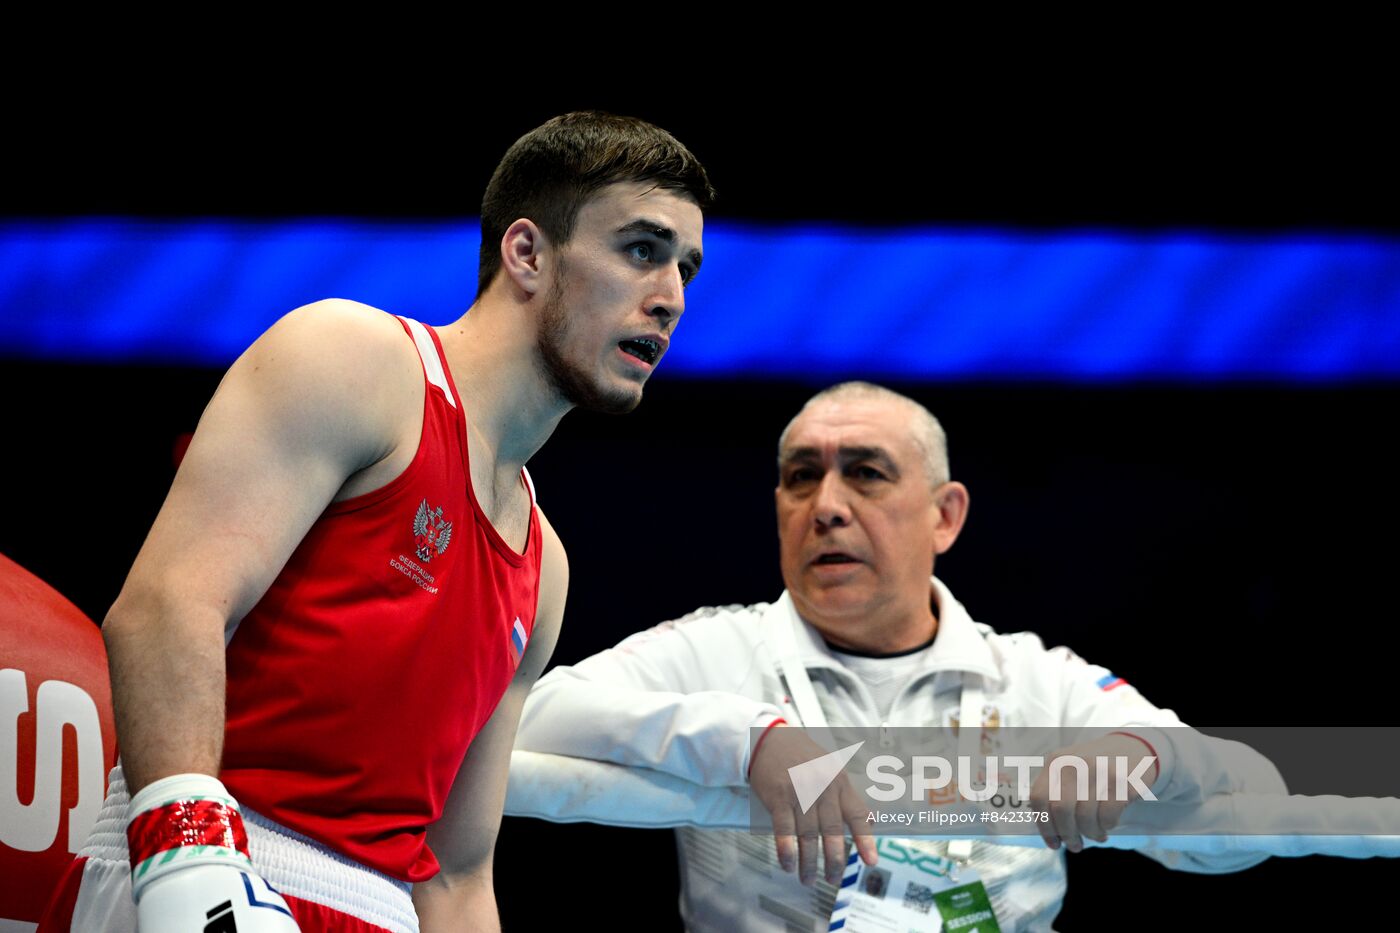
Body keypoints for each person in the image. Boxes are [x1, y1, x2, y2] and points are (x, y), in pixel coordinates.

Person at [38, 110, 713, 933]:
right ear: (527, 253)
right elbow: (166, 608)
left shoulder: (546, 567)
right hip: (201, 856)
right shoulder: (355, 360)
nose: (671, 298)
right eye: (642, 250)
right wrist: (189, 850)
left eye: (686, 267)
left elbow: (458, 869)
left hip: (379, 908)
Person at [512, 381, 1285, 932]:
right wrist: (747, 738)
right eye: (801, 476)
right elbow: (530, 720)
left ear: (944, 516)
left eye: (867, 473)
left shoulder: (1036, 681)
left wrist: (1149, 756)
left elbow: (1248, 812)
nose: (827, 505)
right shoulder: (717, 652)